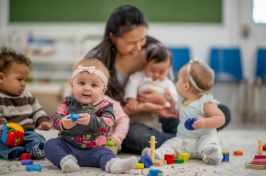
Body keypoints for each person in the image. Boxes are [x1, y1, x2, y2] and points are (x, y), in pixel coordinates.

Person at [85, 5, 231, 154]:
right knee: (138, 135)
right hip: (124, 121)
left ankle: (182, 141)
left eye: (141, 39)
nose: (137, 47)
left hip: (161, 112)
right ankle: (193, 140)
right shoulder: (96, 60)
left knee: (222, 112)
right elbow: (92, 111)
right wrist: (140, 107)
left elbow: (171, 88)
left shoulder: (155, 49)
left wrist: (163, 100)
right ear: (112, 37)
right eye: (130, 43)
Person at [44, 59, 138, 174]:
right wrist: (62, 122)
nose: (87, 88)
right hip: (67, 147)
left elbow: (108, 123)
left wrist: (91, 120)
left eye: (94, 85)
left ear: (103, 91)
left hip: (93, 151)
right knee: (50, 144)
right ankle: (66, 162)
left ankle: (115, 164)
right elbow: (55, 118)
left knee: (106, 153)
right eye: (81, 83)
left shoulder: (105, 106)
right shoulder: (68, 103)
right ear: (72, 85)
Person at [142, 60, 224, 165]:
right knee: (170, 143)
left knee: (210, 141)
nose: (176, 82)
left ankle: (212, 153)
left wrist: (206, 122)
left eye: (179, 80)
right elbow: (178, 113)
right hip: (183, 141)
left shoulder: (205, 102)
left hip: (202, 139)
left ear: (186, 86)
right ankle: (158, 154)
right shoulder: (182, 100)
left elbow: (221, 118)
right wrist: (171, 101)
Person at [0, 47, 53, 160]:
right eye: (19, 79)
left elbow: (37, 110)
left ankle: (35, 149)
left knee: (37, 138)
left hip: (26, 132)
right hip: (6, 135)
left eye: (25, 80)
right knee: (1, 144)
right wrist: (2, 126)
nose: (23, 84)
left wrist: (43, 121)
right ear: (1, 77)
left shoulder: (27, 96)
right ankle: (15, 152)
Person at [124, 47, 178, 131]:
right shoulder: (138, 76)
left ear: (168, 69)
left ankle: (158, 135)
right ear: (146, 64)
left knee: (152, 127)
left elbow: (174, 99)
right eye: (152, 70)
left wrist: (165, 102)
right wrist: (131, 99)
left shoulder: (168, 84)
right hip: (136, 111)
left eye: (161, 72)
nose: (156, 75)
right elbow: (131, 86)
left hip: (153, 116)